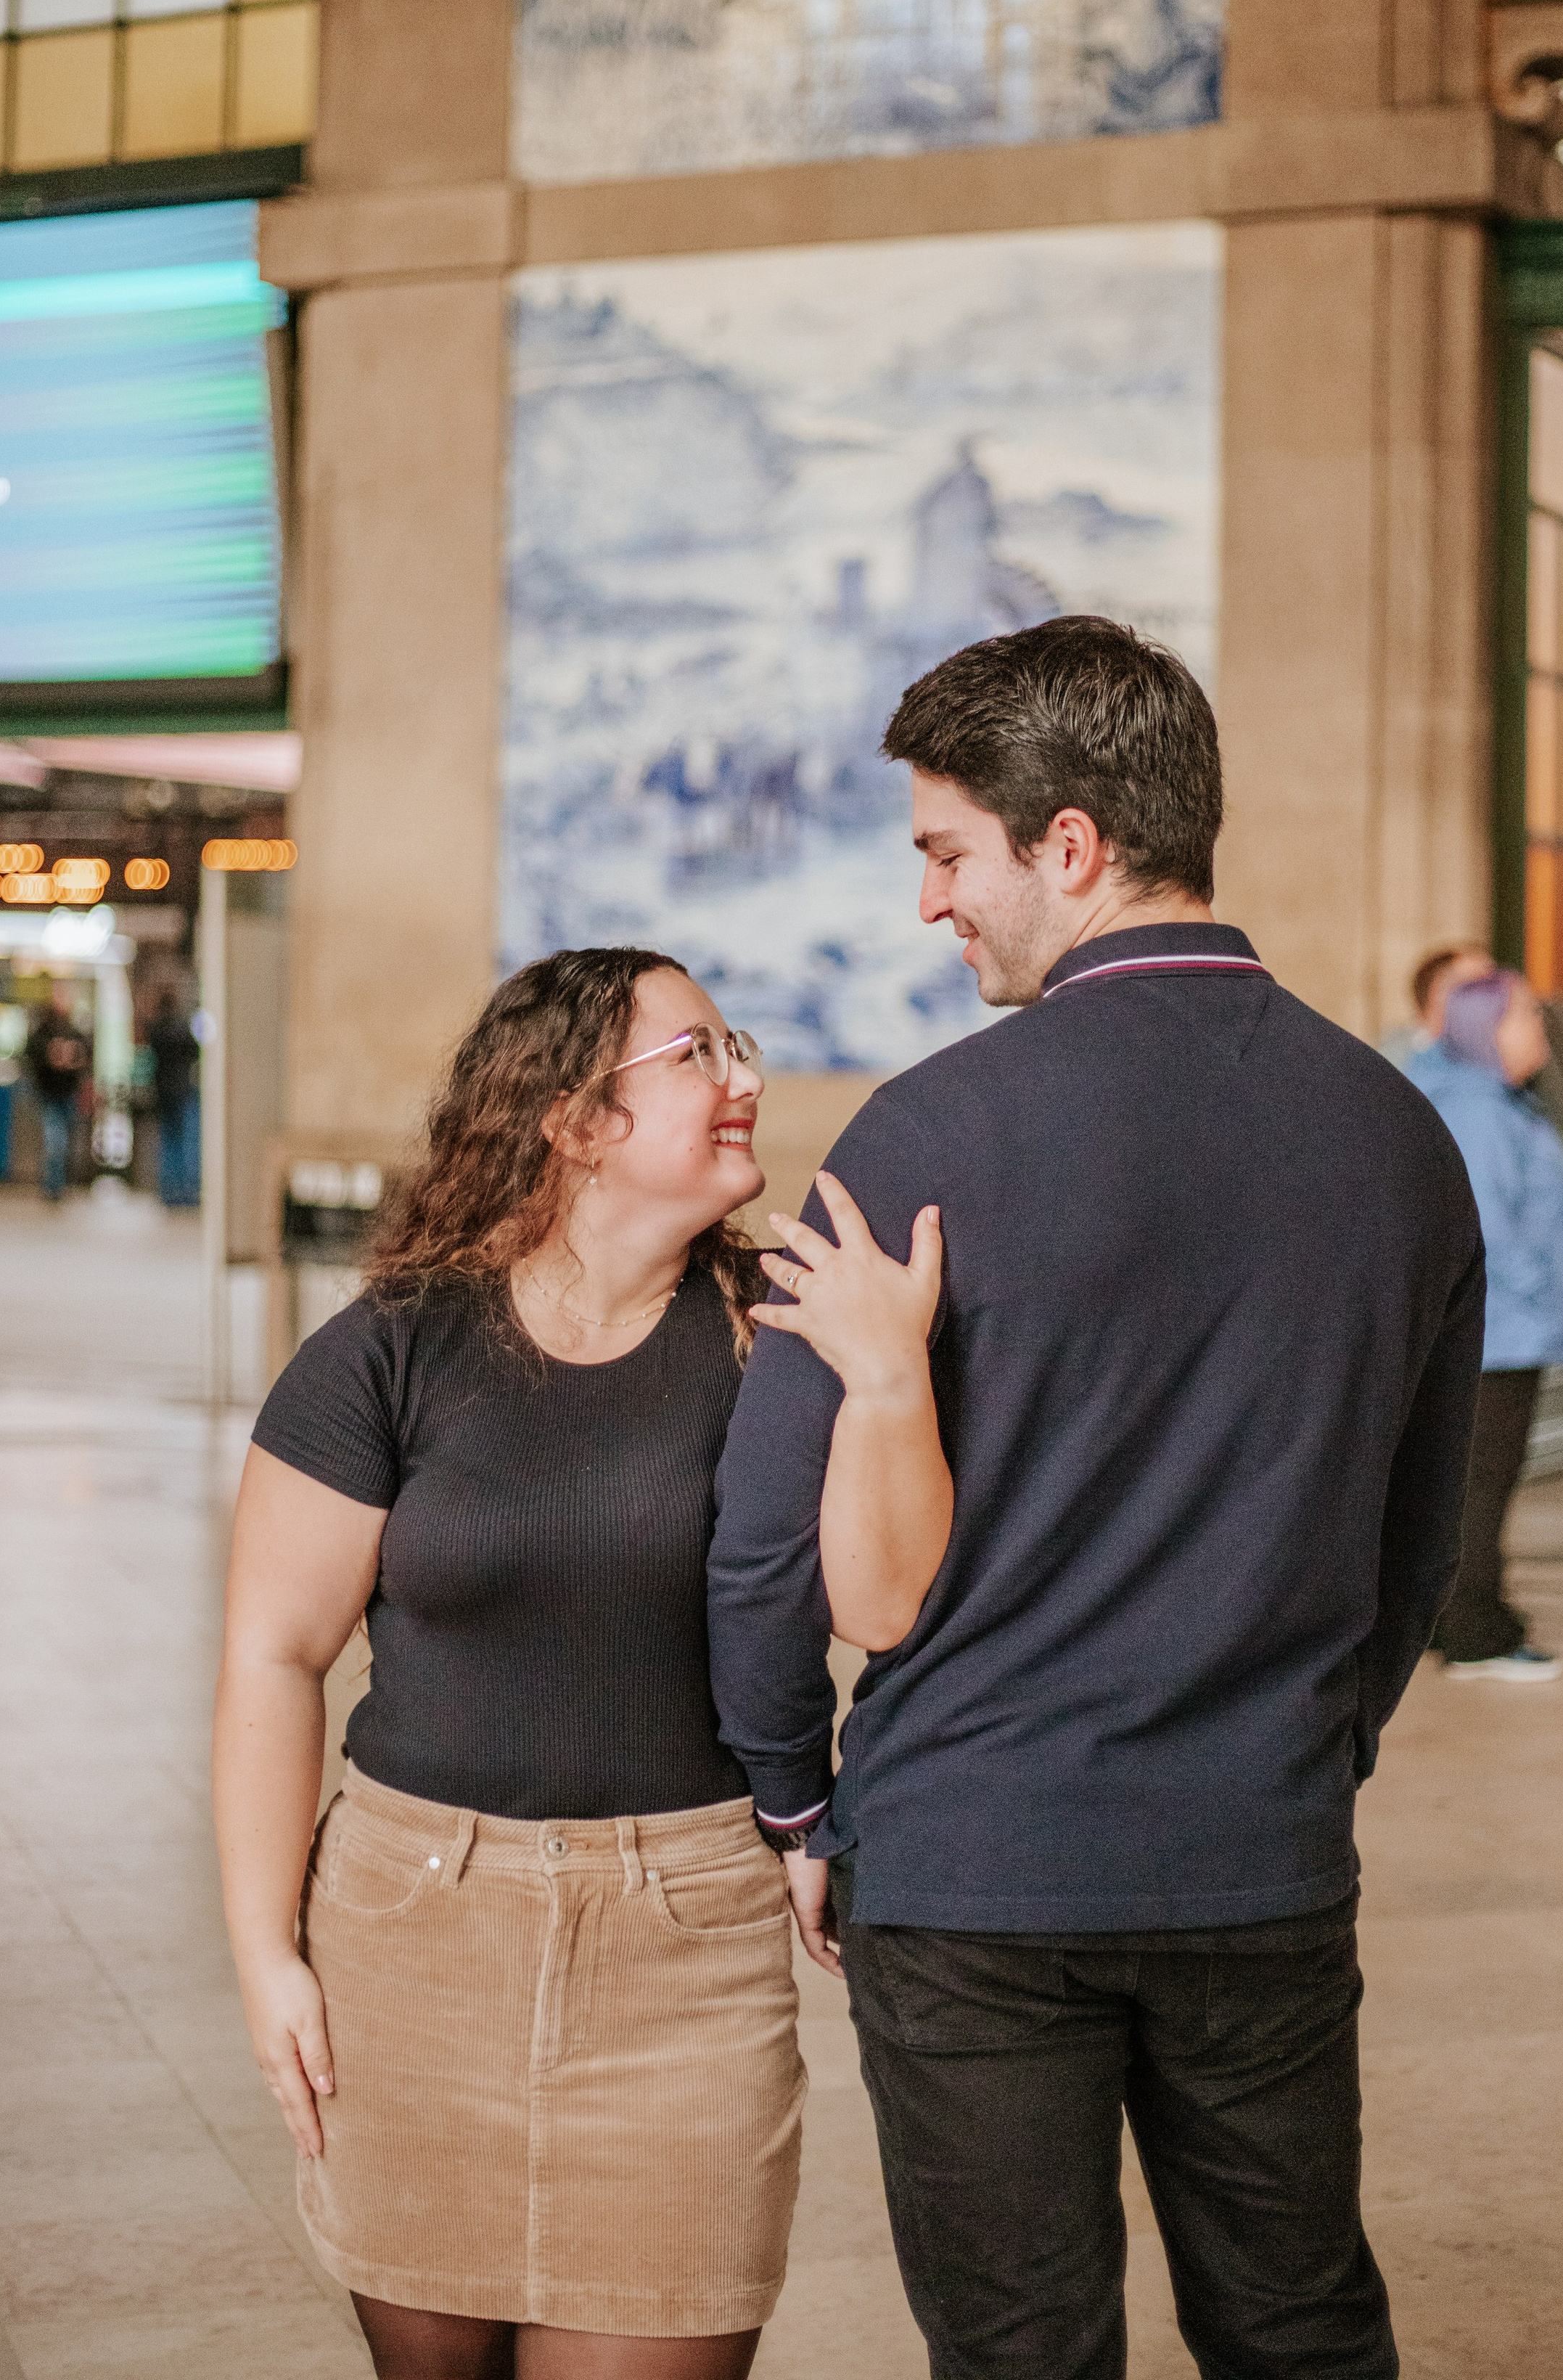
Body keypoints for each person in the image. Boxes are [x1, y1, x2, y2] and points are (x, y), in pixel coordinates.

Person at [709, 616, 1485, 2380]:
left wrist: (790, 1799)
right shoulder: (1397, 1137)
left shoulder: (920, 1135)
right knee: (1296, 2324)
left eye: (945, 852)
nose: (930, 900)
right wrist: (1302, 1753)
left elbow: (761, 1536)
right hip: (1257, 1856)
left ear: (1069, 845)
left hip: (969, 1865)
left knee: (1020, 2348)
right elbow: (1417, 1541)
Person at [214, 947, 939, 2380]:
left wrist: (887, 1376)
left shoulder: (773, 1331)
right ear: (572, 1119)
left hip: (686, 1957)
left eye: (733, 1044)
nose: (741, 1078)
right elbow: (272, 1655)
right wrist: (263, 1956)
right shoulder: (388, 1355)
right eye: (693, 1057)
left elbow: (885, 1603)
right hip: (410, 1945)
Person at [1416, 969, 1563, 1680]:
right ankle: (1473, 1633)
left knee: (1476, 1484)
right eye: (1525, 1018)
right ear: (1485, 1029)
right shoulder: (1481, 1112)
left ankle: (1464, 1613)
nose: (1539, 1032)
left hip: (1508, 1329)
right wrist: (1539, 1289)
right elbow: (1487, 1225)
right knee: (1479, 1487)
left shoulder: (1497, 1103)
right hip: (1499, 1333)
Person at [1379, 940, 1494, 1079]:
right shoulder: (1393, 1059)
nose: (1496, 997)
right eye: (1477, 987)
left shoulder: (1493, 1056)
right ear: (1438, 994)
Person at [23, 986, 91, 1203]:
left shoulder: (74, 1032)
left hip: (68, 1093)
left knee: (65, 1141)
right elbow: (34, 1057)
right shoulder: (43, 1033)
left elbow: (85, 1058)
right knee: (55, 1141)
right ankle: (53, 1185)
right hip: (50, 1094)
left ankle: (58, 1184)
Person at [144, 987, 200, 1209]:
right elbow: (195, 1052)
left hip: (163, 1091)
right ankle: (184, 1191)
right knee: (183, 1143)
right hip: (181, 1091)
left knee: (168, 1142)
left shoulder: (156, 1030)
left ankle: (168, 1191)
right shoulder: (182, 1030)